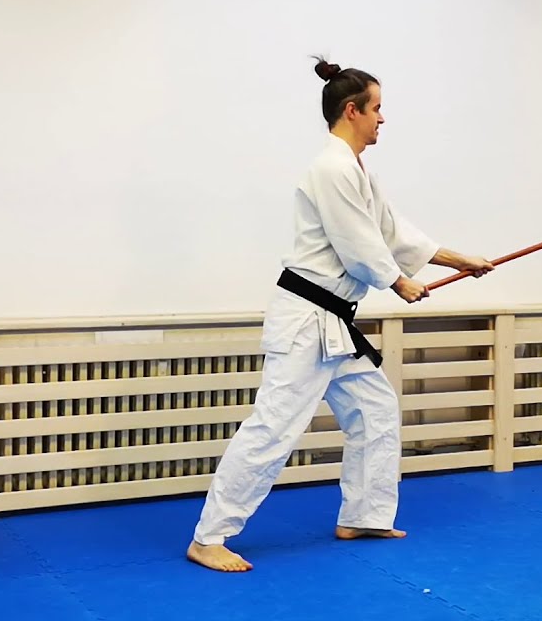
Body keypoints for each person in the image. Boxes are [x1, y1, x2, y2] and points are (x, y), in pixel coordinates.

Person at [185, 56, 495, 573]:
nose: (382, 119)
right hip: (307, 320)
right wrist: (398, 281)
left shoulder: (355, 171)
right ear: (351, 111)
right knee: (273, 429)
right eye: (376, 108)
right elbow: (359, 244)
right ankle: (209, 536)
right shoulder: (330, 168)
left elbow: (393, 233)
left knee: (375, 410)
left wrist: (460, 258)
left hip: (334, 324)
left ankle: (364, 516)